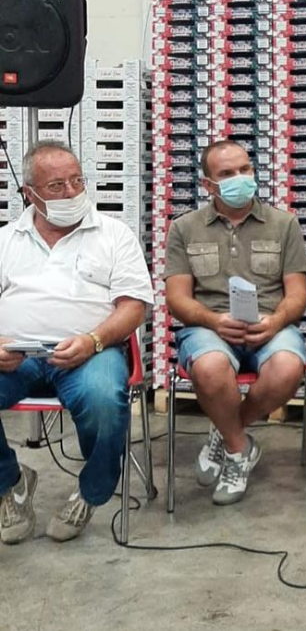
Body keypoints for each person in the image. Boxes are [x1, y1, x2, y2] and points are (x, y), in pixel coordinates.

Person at [0, 141, 153, 543]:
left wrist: (93, 340)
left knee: (103, 400)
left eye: (77, 181)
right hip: (16, 354)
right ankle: (10, 482)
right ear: (29, 193)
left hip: (93, 351)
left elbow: (134, 307)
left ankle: (91, 491)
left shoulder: (114, 235)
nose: (71, 192)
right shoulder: (6, 240)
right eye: (56, 185)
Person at [164, 140, 306, 505]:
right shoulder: (183, 228)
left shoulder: (284, 224)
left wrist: (275, 321)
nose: (240, 178)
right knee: (210, 367)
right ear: (208, 185)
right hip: (210, 328)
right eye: (227, 174)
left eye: (245, 169)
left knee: (288, 368)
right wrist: (214, 321)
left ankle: (227, 431)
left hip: (271, 326)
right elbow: (177, 298)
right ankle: (239, 449)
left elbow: (297, 294)